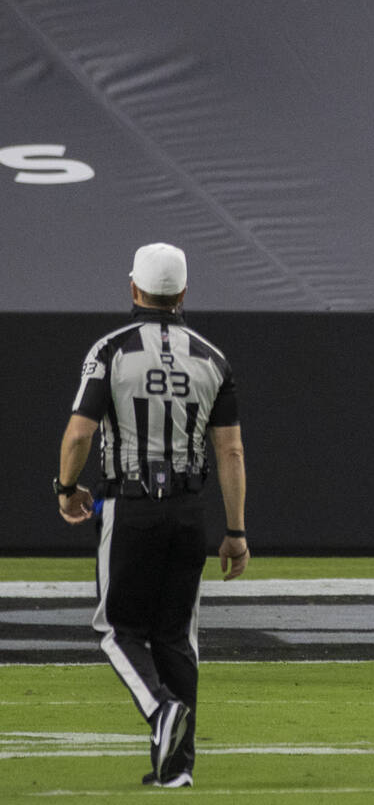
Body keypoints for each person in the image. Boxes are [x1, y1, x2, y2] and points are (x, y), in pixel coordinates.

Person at [53, 243, 248, 788]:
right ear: (183, 294)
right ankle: (177, 769)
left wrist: (66, 488)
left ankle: (163, 714)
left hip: (131, 505)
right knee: (174, 637)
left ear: (134, 289)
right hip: (189, 509)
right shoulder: (212, 357)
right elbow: (230, 452)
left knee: (117, 631)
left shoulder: (111, 350)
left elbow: (79, 433)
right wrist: (234, 531)